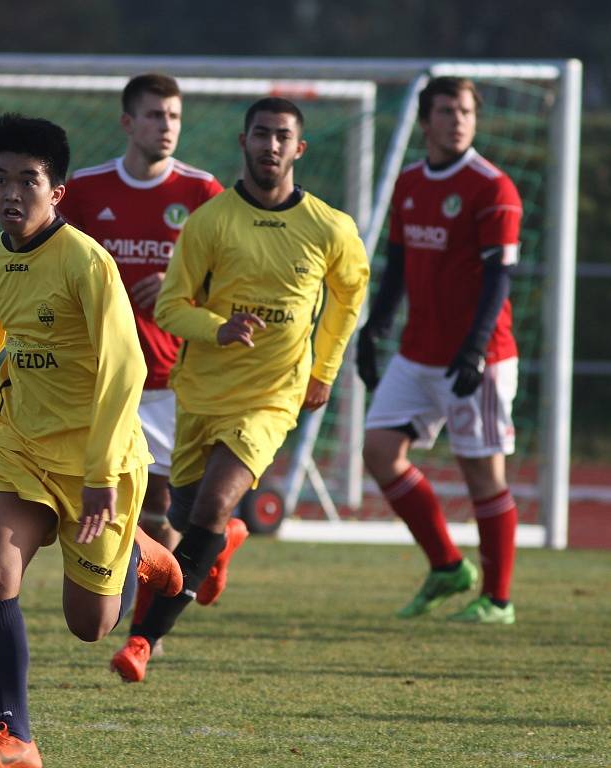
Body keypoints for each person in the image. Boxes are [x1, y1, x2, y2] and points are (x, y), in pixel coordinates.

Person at [0, 113, 182, 768]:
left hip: (97, 465)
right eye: (1, 179)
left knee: (91, 626)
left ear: (57, 191)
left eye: (28, 180)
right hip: (20, 452)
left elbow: (126, 371)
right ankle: (14, 737)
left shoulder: (86, 264)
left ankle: (143, 554)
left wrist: (100, 474)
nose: (11, 194)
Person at [111, 96, 370, 682]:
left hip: (272, 395)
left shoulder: (330, 228)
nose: (271, 146)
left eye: (282, 136)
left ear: (298, 149)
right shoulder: (210, 222)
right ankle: (223, 543)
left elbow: (349, 297)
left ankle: (144, 642)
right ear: (244, 142)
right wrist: (218, 328)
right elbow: (173, 306)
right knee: (181, 514)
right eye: (261, 134)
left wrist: (324, 370)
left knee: (211, 502)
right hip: (200, 393)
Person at [56, 73, 227, 656]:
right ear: (129, 123)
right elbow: (56, 262)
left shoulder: (204, 193)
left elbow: (234, 276)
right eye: (155, 116)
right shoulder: (83, 190)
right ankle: (199, 559)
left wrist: (185, 290)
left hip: (171, 381)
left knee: (158, 513)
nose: (166, 127)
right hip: (99, 379)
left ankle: (141, 636)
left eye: (174, 117)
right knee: (103, 501)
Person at [356, 76, 522, 625]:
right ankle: (448, 566)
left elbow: (500, 276)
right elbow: (399, 265)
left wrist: (475, 348)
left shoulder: (492, 187)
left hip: (479, 357)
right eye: (447, 111)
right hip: (417, 351)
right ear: (426, 122)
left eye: (466, 111)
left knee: (483, 476)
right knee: (379, 451)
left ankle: (497, 600)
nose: (458, 120)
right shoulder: (409, 183)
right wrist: (375, 328)